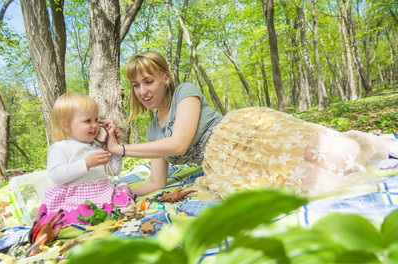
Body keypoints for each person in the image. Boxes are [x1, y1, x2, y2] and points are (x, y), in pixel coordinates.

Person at [104, 50, 398, 200]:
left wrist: (122, 149)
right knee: (311, 182)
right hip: (222, 163)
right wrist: (121, 193)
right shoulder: (153, 132)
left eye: (148, 81)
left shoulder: (185, 92)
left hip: (243, 131)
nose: (142, 91)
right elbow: (156, 182)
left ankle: (387, 145)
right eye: (135, 85)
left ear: (165, 79)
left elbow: (180, 143)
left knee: (336, 153)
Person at [35, 92, 134, 227]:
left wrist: (114, 149)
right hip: (75, 201)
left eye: (96, 119)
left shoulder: (97, 147)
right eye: (88, 121)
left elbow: (114, 171)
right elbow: (56, 176)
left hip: (101, 195)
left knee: (124, 204)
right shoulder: (60, 148)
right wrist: (85, 164)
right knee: (75, 219)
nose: (95, 125)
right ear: (66, 125)